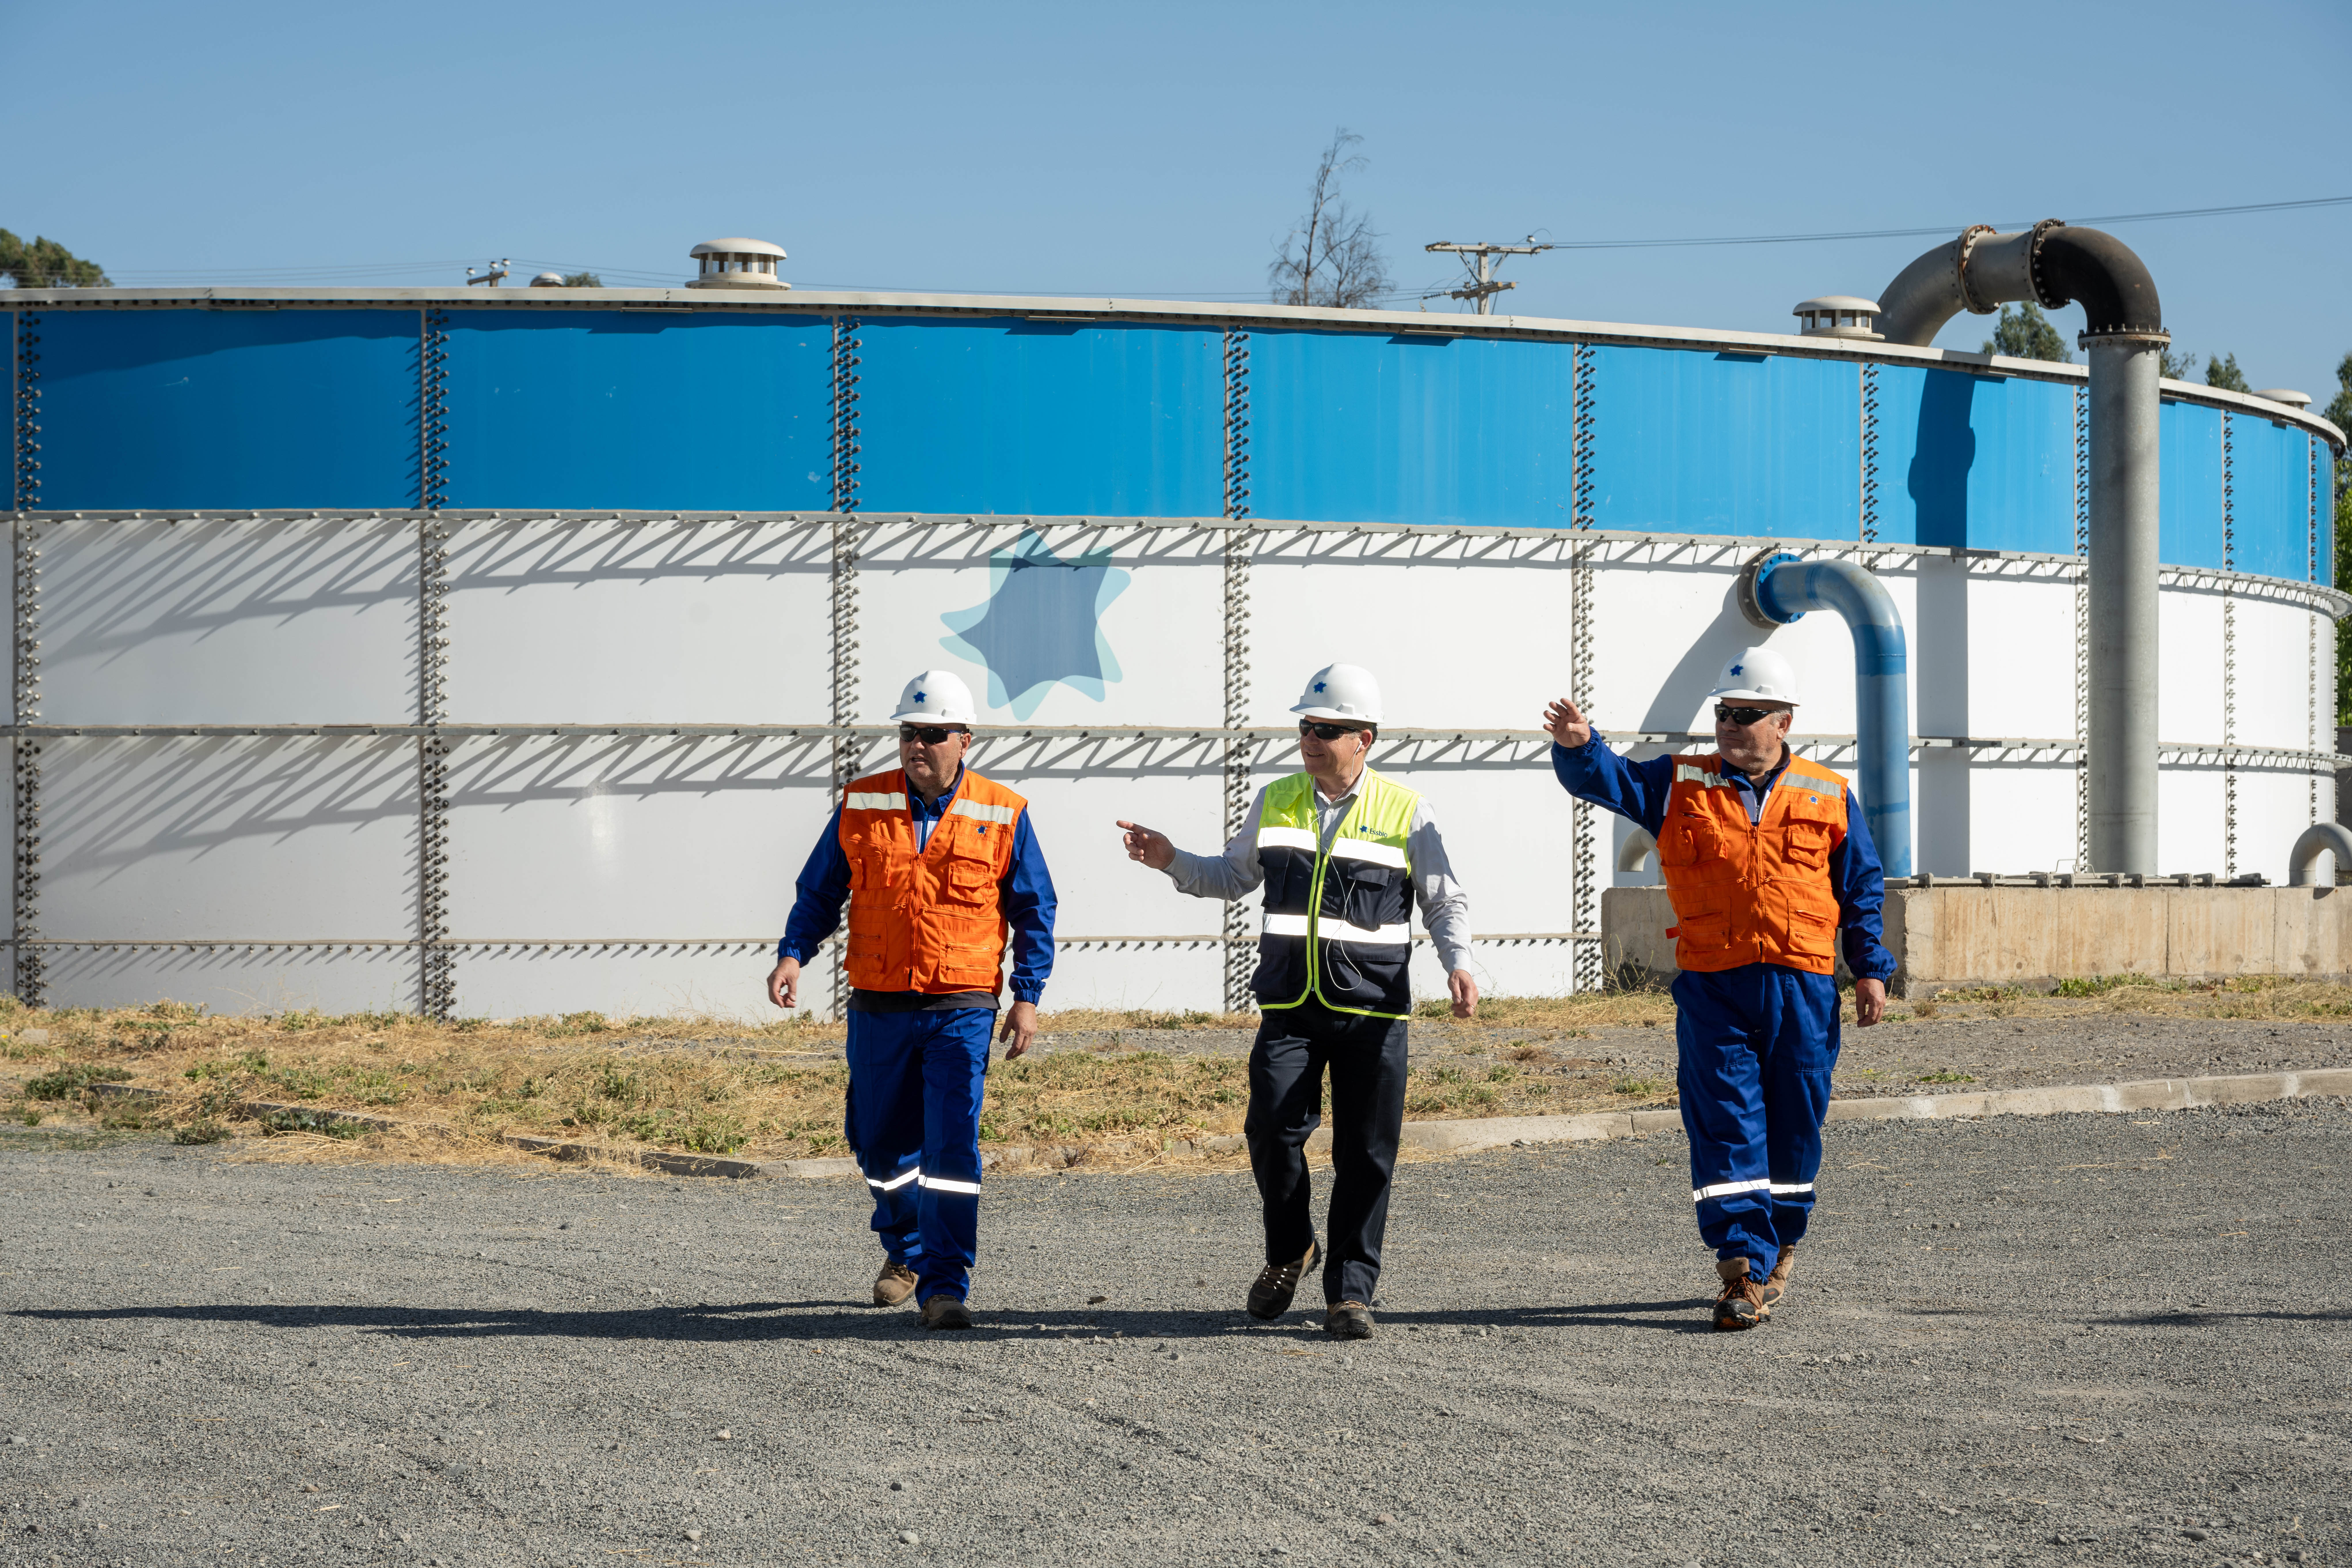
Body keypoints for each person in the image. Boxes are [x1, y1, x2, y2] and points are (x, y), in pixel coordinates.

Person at [1117, 663, 1477, 1341]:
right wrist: (1169, 858)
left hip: (1374, 1012)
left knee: (1367, 1156)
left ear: (1363, 739)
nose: (1311, 739)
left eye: (1328, 729)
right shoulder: (1277, 800)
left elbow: (1443, 897)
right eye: (1306, 727)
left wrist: (1459, 962)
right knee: (1270, 1132)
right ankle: (1291, 1249)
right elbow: (1231, 876)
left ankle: (1349, 1292)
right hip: (1291, 1007)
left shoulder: (1406, 810)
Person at [1544, 645, 1895, 1332]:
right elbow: (1608, 780)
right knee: (1727, 1121)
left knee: (1796, 1119)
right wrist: (1583, 747)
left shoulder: (1828, 794)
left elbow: (1861, 888)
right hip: (1714, 987)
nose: (1731, 726)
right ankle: (1741, 1268)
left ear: (1784, 722)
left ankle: (1781, 1241)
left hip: (1804, 986)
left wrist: (1872, 969)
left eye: (1748, 715)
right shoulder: (1680, 783)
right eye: (1724, 714)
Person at [766, 669, 1057, 1331]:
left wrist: (1027, 996)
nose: (916, 746)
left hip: (962, 1005)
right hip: (878, 1002)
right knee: (876, 1142)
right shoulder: (862, 803)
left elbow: (1034, 909)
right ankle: (907, 1250)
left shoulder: (1003, 811)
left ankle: (945, 1285)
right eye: (907, 733)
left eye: (931, 734)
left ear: (964, 739)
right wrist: (792, 953)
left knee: (952, 1147)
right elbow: (820, 891)